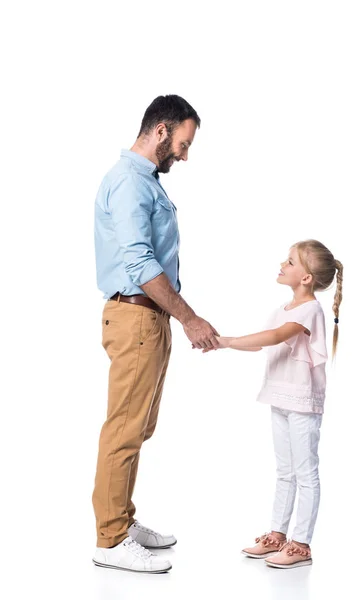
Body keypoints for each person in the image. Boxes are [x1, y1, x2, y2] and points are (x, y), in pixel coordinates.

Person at [92, 95, 220, 574]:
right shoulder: (129, 182)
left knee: (139, 426)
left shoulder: (144, 182)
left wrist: (174, 319)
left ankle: (121, 521)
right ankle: (109, 540)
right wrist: (191, 318)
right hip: (136, 317)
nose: (185, 155)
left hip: (150, 319)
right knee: (123, 429)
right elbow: (141, 263)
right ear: (162, 131)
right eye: (184, 144)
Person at [204, 240, 343, 569]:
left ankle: (301, 544)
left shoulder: (310, 310)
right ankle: (278, 534)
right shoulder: (283, 309)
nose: (283, 264)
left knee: (305, 473)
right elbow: (261, 342)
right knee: (285, 471)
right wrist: (224, 343)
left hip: (302, 403)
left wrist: (225, 341)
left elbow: (274, 337)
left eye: (291, 261)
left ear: (307, 278)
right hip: (279, 397)